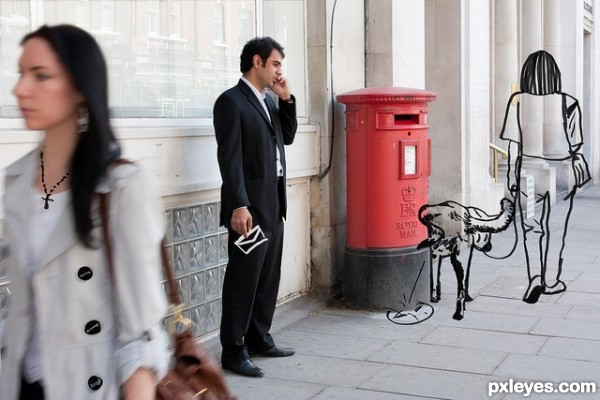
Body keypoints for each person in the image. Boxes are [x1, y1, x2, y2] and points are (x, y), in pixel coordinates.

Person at [0, 24, 169, 399]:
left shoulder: (122, 186)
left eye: (41, 76)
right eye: (21, 74)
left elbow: (139, 331)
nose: (21, 89)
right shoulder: (16, 180)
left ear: (79, 87)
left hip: (87, 385)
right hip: (19, 383)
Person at [213, 37, 298, 378]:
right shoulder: (231, 102)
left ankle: (259, 337)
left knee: (267, 277)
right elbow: (229, 159)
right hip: (248, 211)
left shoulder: (267, 102)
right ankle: (233, 351)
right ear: (258, 61)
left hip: (273, 204)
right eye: (276, 64)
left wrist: (286, 98)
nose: (279, 70)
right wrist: (239, 205)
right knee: (243, 279)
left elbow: (288, 137)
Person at [499, 50, 591, 304]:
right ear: (555, 74)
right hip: (562, 173)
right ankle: (552, 281)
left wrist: (511, 178)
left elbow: (512, 144)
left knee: (531, 227)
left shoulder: (517, 100)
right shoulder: (569, 101)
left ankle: (535, 277)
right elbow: (576, 142)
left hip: (528, 174)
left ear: (526, 74)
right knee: (557, 230)